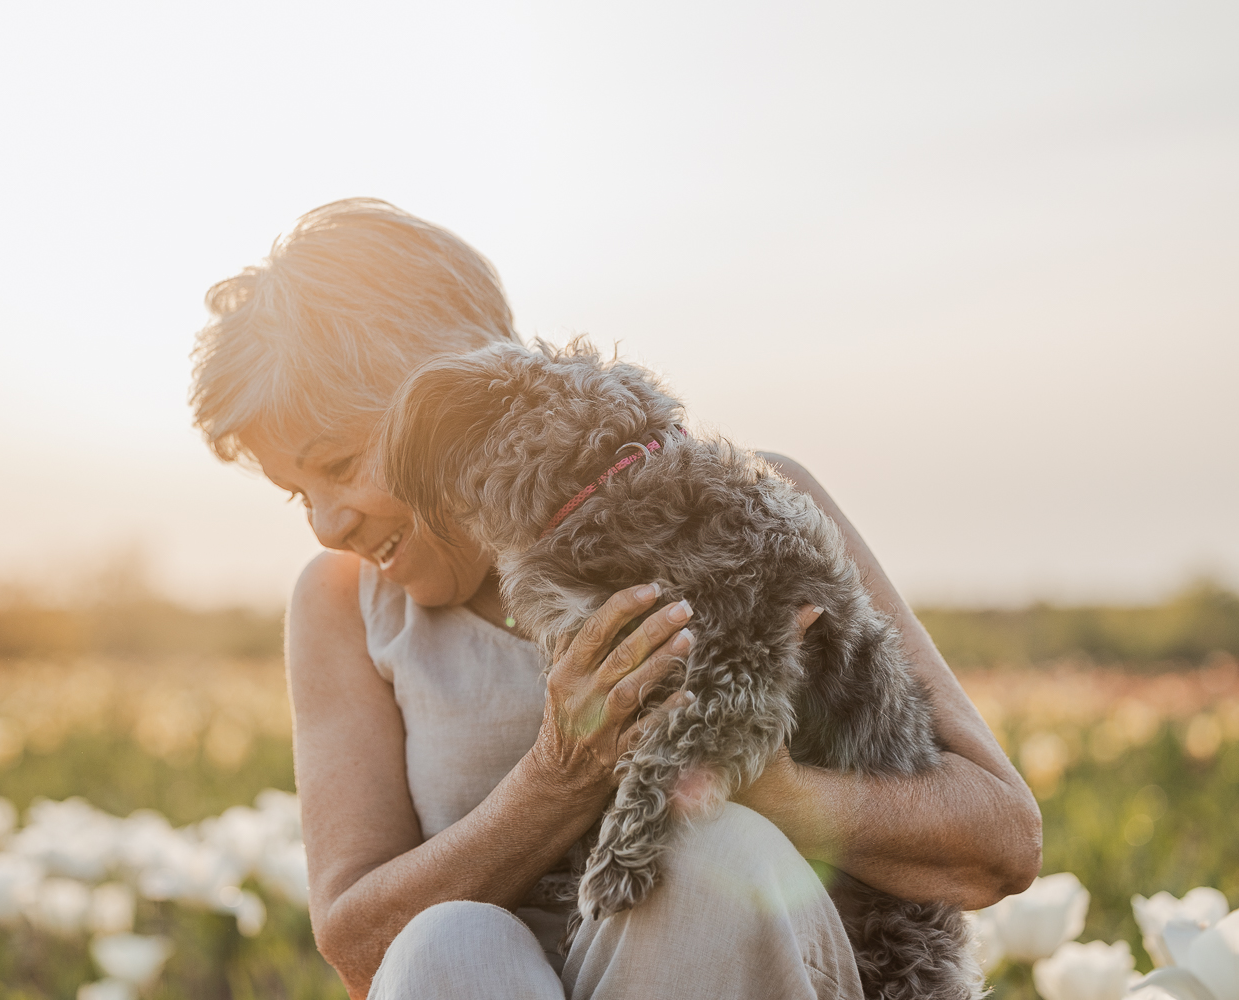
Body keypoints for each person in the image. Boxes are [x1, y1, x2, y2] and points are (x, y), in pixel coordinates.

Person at [189, 199, 1041, 1000]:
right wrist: (561, 775)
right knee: (445, 944)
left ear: (453, 400)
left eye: (339, 463)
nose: (328, 525)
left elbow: (1000, 842)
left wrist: (769, 790)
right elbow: (361, 945)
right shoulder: (345, 606)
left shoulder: (746, 508)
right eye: (296, 493)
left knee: (714, 860)